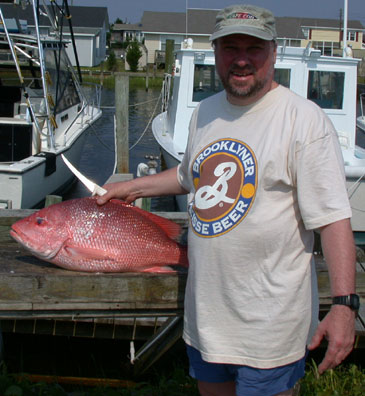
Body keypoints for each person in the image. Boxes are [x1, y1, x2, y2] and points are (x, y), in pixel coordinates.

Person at [97, 4, 358, 396]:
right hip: (208, 322)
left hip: (271, 332)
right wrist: (130, 189)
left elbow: (334, 221)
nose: (240, 59)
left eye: (253, 48)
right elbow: (189, 175)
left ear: (273, 51)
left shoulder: (303, 120)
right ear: (215, 51)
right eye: (229, 47)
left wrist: (343, 305)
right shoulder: (205, 112)